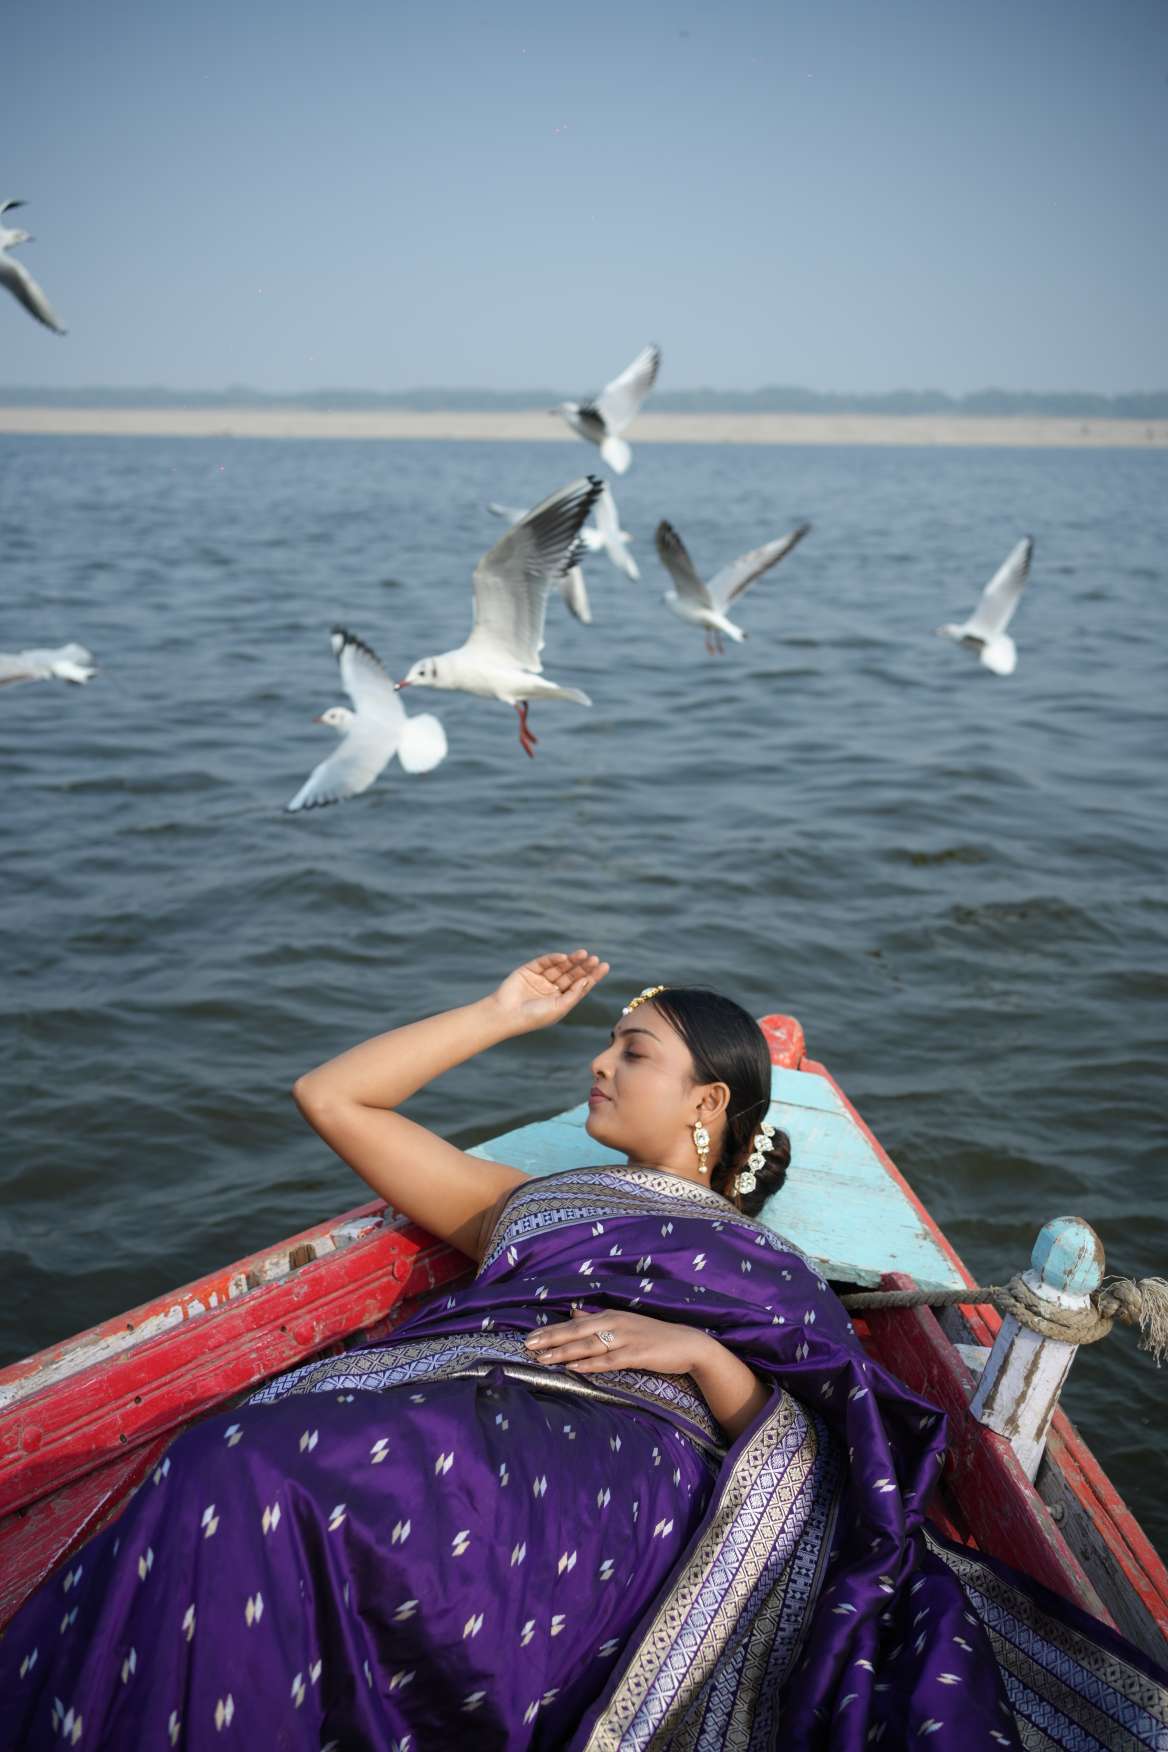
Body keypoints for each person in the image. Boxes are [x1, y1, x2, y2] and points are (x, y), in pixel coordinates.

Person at [3, 952, 1166, 1750]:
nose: (597, 1066)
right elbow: (334, 1098)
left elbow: (846, 1435)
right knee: (227, 1459)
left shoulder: (769, 1272)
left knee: (261, 1475)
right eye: (603, 1046)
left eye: (632, 1052)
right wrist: (502, 1011)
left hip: (621, 1463)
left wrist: (705, 1362)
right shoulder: (532, 1201)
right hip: (458, 1407)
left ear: (709, 1105)